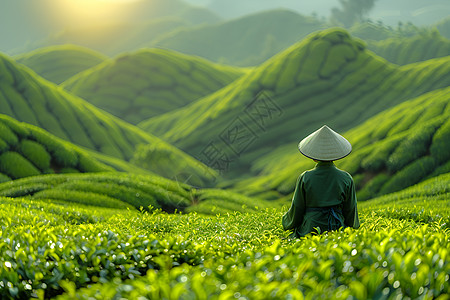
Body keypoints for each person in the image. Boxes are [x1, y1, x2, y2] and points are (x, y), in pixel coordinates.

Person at [282, 125, 360, 238]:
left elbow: (297, 208)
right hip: (337, 228)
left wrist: (286, 222)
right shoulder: (346, 178)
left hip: (310, 229)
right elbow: (350, 210)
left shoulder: (305, 177)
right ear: (335, 154)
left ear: (313, 156)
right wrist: (351, 228)